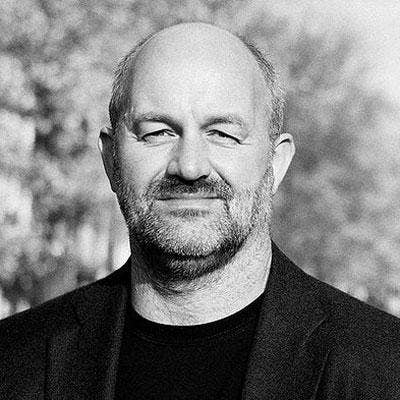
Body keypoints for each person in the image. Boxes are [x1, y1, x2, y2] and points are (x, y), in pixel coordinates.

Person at [0, 22, 399, 400]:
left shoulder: (384, 369)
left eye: (222, 134)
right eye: (157, 132)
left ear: (275, 164)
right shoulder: (13, 361)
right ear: (111, 160)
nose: (190, 166)